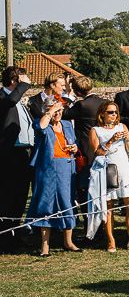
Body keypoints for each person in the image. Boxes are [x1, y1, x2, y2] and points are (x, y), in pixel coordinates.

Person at [26, 98, 80, 256]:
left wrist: (74, 148)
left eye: (60, 109)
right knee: (46, 203)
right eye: (54, 109)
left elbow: (74, 144)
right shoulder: (40, 122)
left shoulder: (68, 125)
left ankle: (68, 241)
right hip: (47, 168)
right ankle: (45, 246)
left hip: (66, 167)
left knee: (67, 201)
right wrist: (50, 111)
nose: (58, 113)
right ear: (46, 110)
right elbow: (41, 127)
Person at [87, 101, 129, 251]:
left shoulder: (122, 127)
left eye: (115, 112)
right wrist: (111, 141)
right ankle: (111, 241)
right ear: (102, 114)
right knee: (108, 206)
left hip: (124, 168)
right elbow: (97, 152)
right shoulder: (96, 130)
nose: (114, 115)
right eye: (110, 112)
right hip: (107, 169)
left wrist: (127, 138)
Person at [0, 66, 34, 253]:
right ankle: (4, 238)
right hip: (8, 155)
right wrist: (23, 85)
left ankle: (16, 234)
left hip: (23, 153)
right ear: (15, 80)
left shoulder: (18, 101)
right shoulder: (3, 97)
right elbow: (10, 101)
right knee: (7, 196)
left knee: (21, 196)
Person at [62, 75, 103, 205]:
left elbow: (65, 113)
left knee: (84, 185)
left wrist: (67, 94)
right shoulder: (103, 102)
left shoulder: (82, 105)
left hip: (85, 147)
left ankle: (87, 218)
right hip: (101, 144)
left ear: (77, 92)